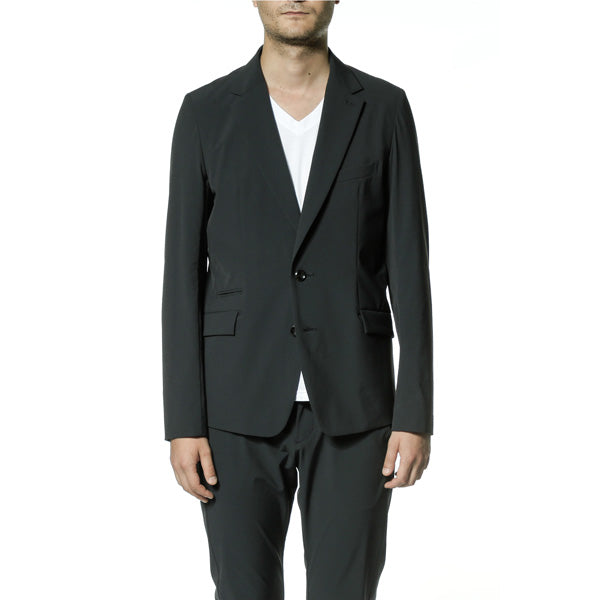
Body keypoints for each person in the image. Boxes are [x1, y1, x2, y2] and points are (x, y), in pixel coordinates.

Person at [161, 1, 433, 598]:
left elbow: (411, 272)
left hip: (357, 406)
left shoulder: (383, 108)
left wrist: (414, 414)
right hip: (234, 407)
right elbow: (181, 277)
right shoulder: (205, 112)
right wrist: (183, 422)